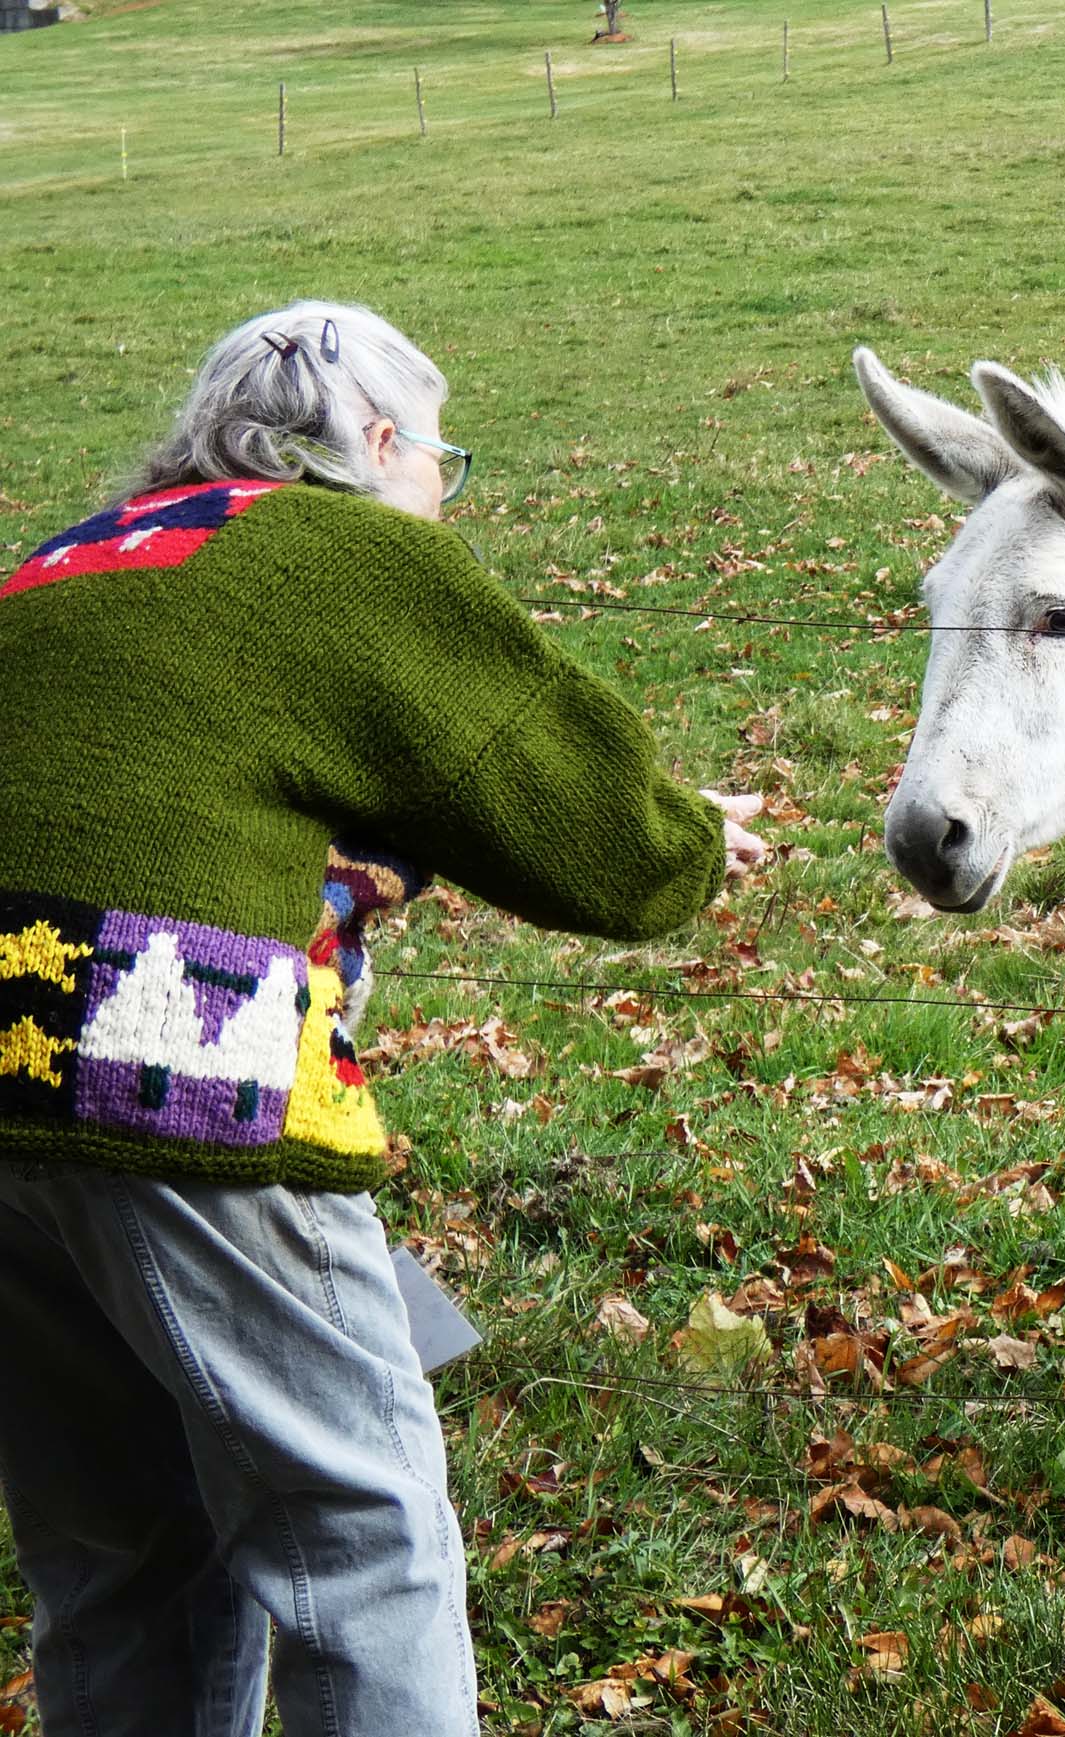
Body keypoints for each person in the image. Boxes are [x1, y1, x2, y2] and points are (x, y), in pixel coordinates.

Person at [0, 301, 765, 1734]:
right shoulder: (345, 555)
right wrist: (685, 841)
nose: (442, 496)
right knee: (360, 1529)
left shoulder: (72, 558)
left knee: (117, 1552)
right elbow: (574, 811)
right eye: (441, 460)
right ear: (379, 439)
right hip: (173, 1056)